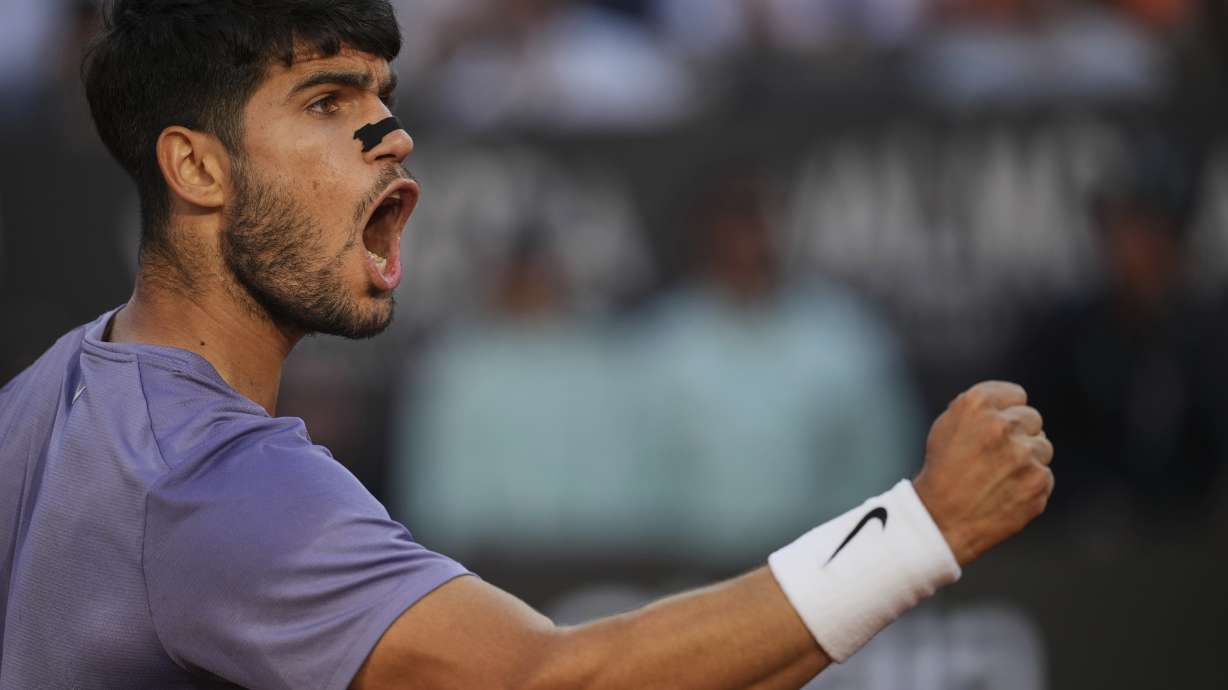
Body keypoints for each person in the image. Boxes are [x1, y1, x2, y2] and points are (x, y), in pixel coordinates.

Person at [0, 1, 1055, 689]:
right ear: (196, 169)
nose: (388, 136)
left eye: (383, 97)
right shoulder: (218, 481)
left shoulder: (49, 395)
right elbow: (552, 683)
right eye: (326, 100)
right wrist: (922, 528)